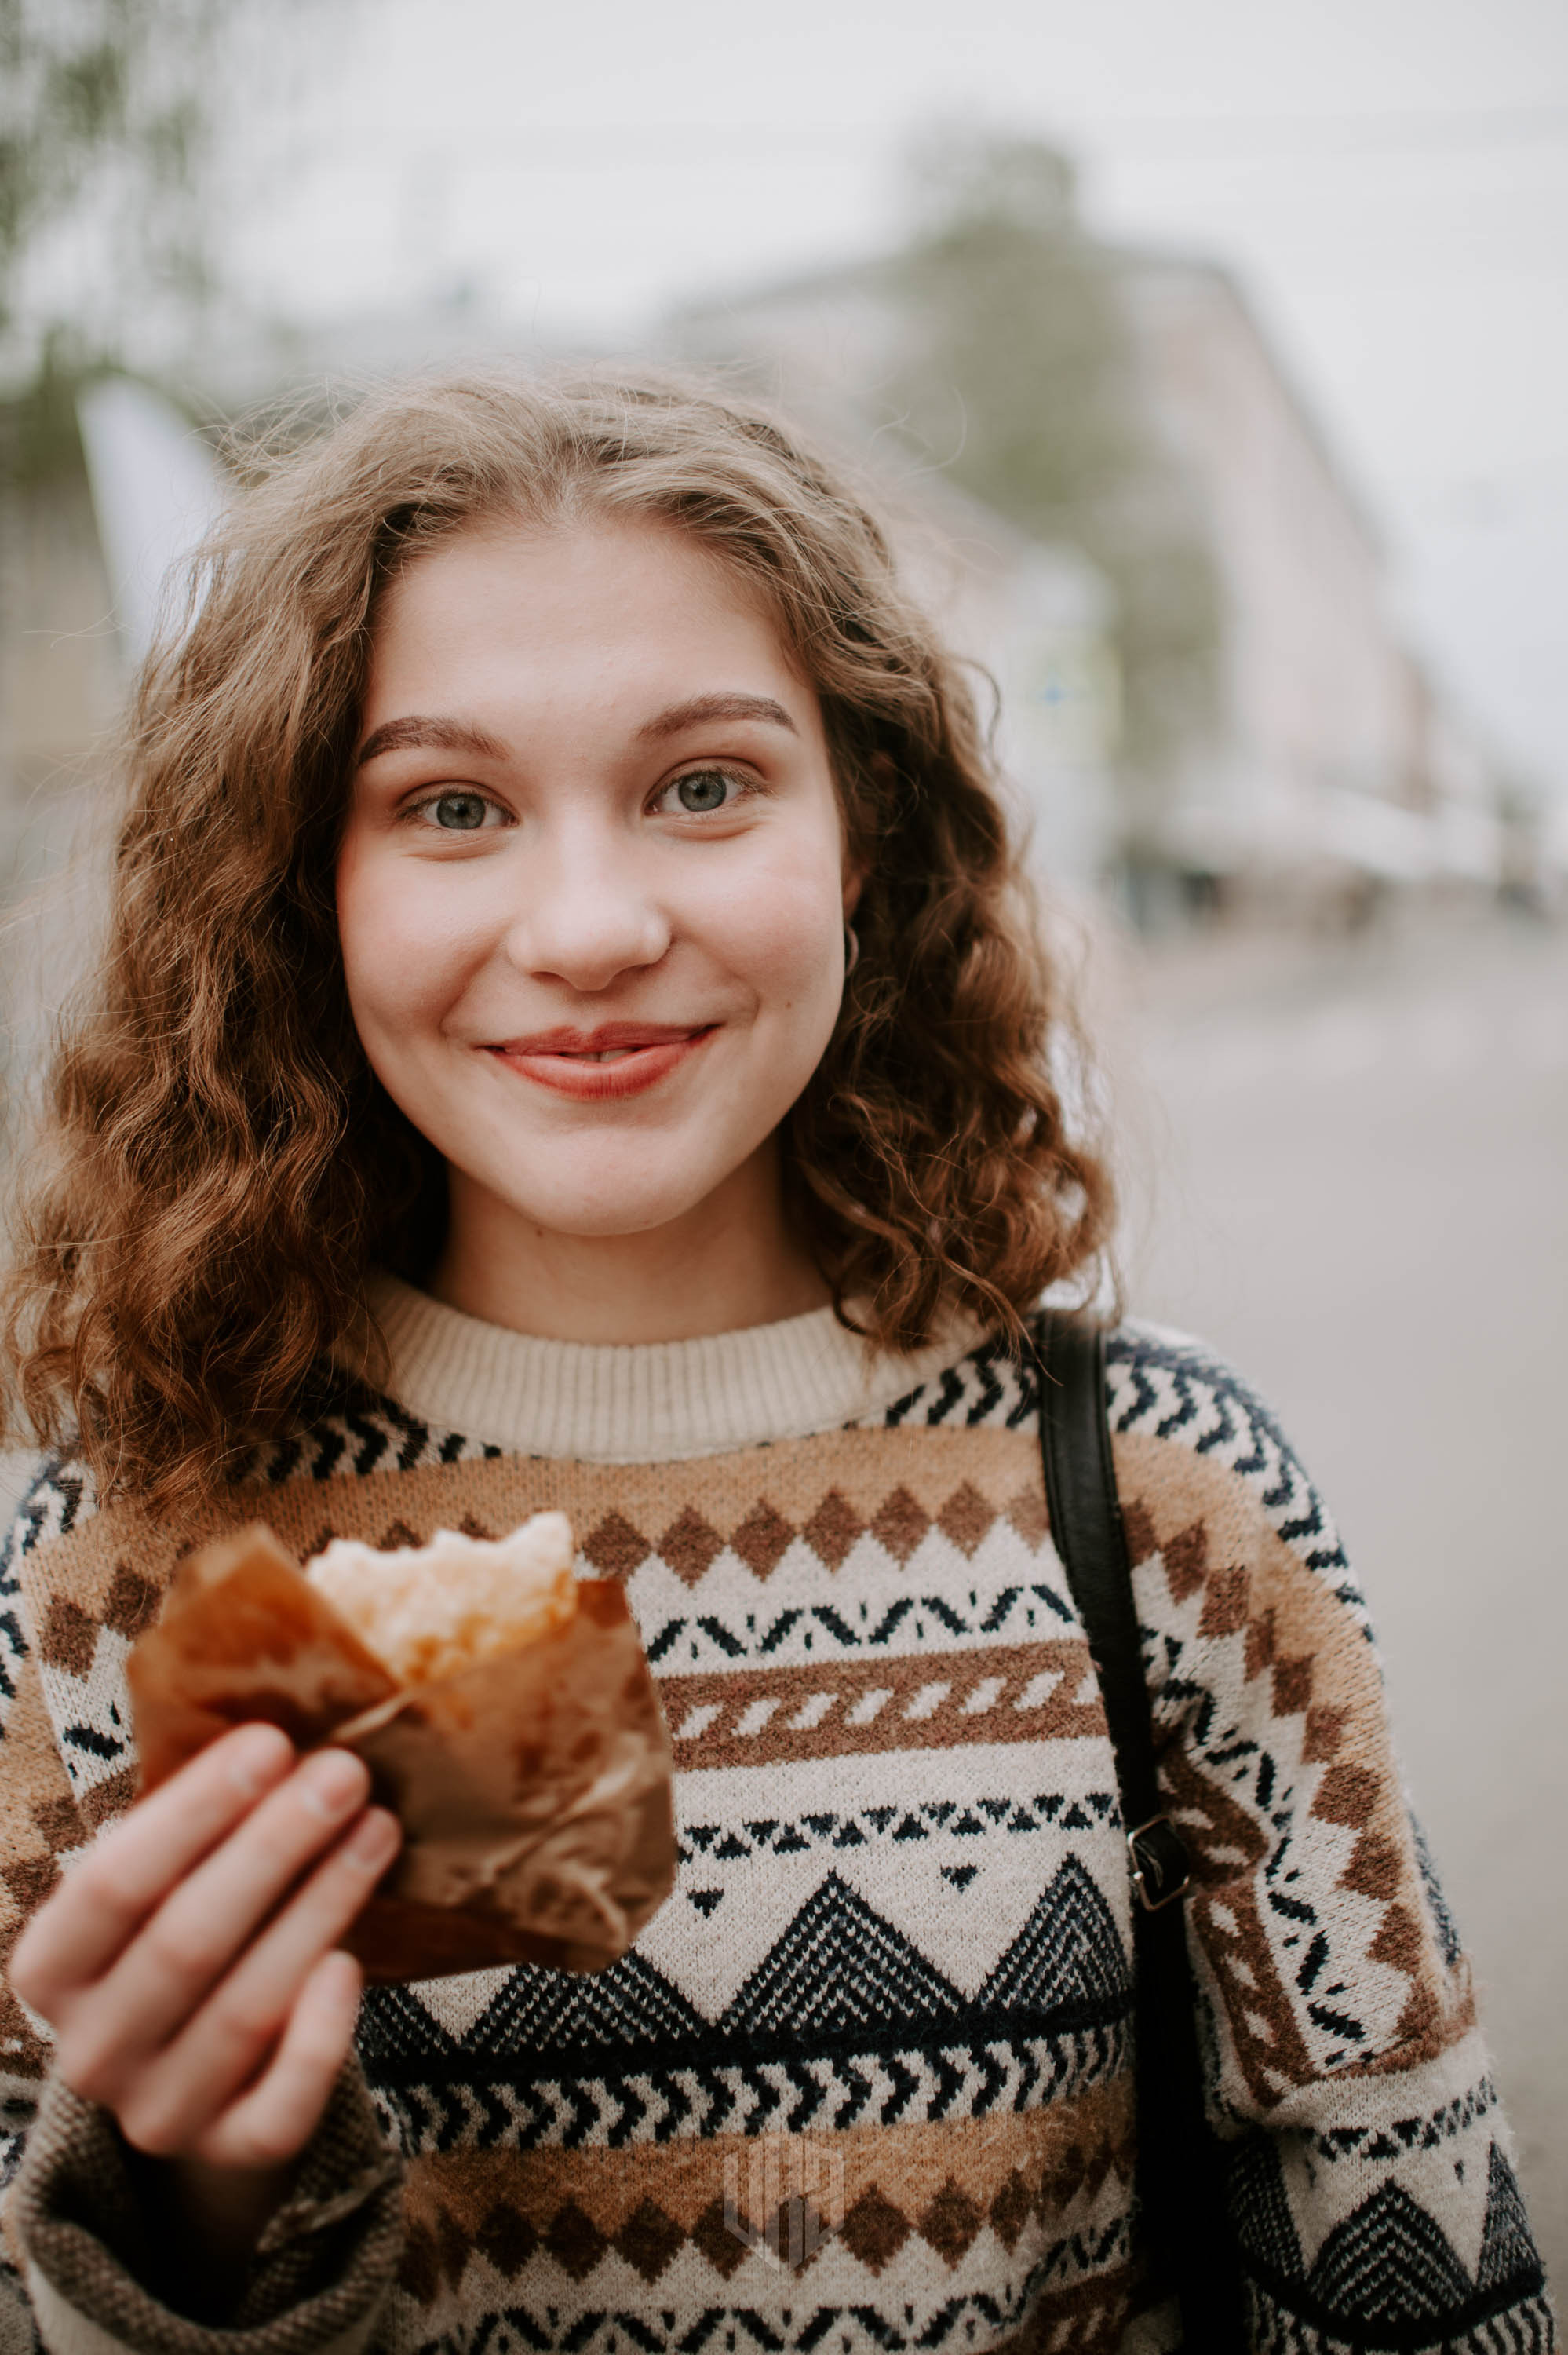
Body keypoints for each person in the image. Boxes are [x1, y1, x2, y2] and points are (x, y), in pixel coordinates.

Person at [0, 371, 1551, 2355]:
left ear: (859, 835)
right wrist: (197, 2215)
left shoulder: (1160, 1500)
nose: (588, 926)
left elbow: (1412, 2278)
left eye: (704, 785)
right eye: (450, 807)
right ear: (309, 877)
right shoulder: (107, 1576)